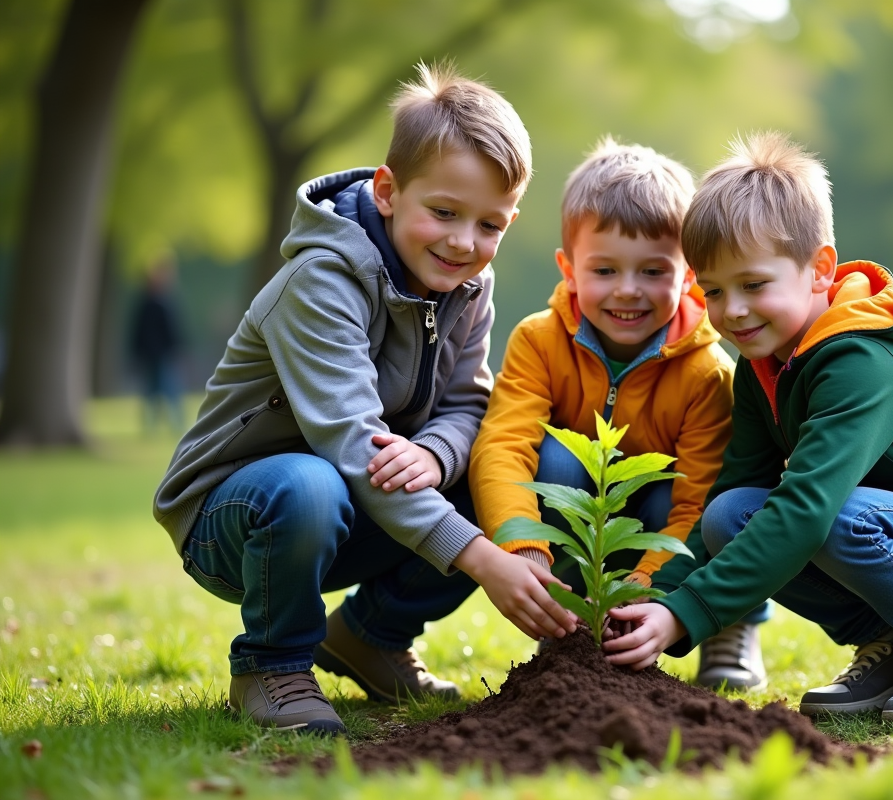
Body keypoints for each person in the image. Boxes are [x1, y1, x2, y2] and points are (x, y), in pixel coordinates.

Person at [153, 64, 577, 735]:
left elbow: (471, 408)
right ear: (387, 191)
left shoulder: (468, 284)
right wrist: (482, 558)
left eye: (489, 224)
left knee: (512, 468)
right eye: (443, 212)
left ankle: (370, 636)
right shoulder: (320, 281)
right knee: (308, 483)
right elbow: (354, 449)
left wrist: (436, 457)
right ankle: (272, 664)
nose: (464, 242)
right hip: (240, 514)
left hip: (357, 507)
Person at [603, 132, 893, 723]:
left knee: (827, 512)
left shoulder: (859, 363)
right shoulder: (761, 367)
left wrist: (688, 613)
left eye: (754, 285)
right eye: (713, 290)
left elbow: (807, 508)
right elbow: (733, 492)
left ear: (819, 270)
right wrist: (658, 599)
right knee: (731, 516)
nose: (732, 309)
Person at [468, 139, 766, 689]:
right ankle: (571, 618)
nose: (628, 291)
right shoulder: (538, 340)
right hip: (583, 517)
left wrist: (645, 594)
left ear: (689, 274)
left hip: (672, 524)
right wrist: (524, 549)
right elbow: (503, 446)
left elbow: (698, 503)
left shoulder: (707, 372)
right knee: (555, 463)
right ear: (570, 268)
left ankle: (729, 623)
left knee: (719, 504)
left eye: (654, 271)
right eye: (604, 270)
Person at [129, 254, 185, 433]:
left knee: (163, 390)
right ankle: (157, 425)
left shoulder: (156, 302)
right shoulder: (154, 303)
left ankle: (167, 425)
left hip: (160, 354)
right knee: (164, 390)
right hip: (156, 355)